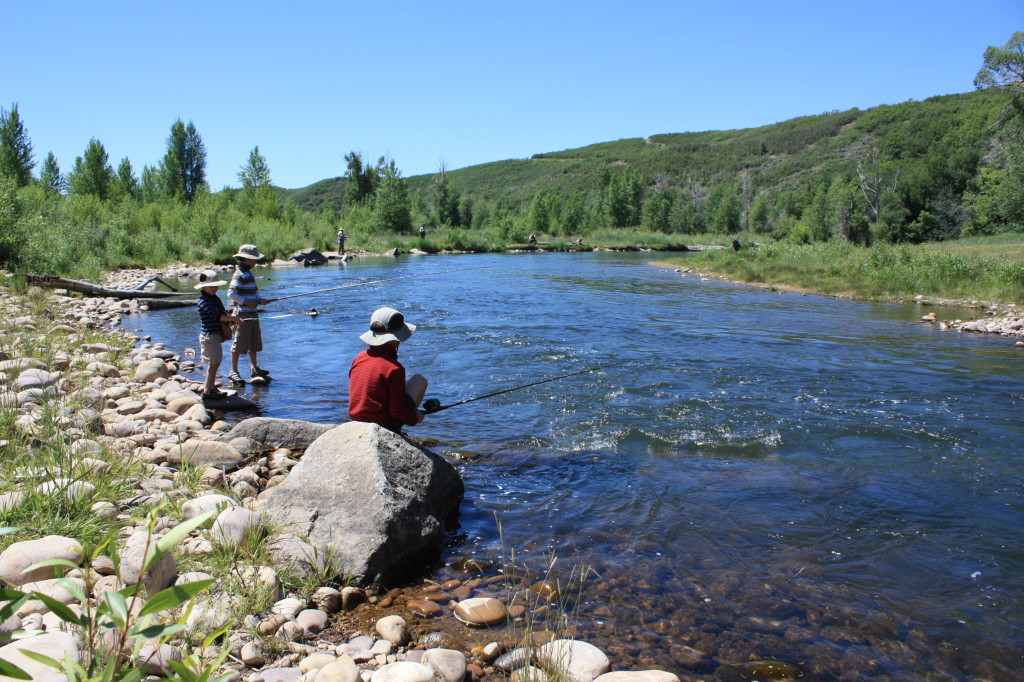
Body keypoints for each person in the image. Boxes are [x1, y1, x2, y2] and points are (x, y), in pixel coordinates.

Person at [348, 307, 428, 433]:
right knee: (420, 380)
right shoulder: (395, 369)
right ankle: (398, 429)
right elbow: (397, 411)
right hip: (383, 426)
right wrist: (415, 418)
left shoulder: (359, 358)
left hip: (357, 421)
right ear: (396, 338)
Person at [227, 244, 272, 385]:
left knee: (254, 342)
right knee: (239, 343)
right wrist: (247, 302)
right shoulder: (239, 273)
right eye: (253, 260)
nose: (255, 262)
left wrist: (259, 300)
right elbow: (231, 293)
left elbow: (254, 292)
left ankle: (254, 368)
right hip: (243, 314)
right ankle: (233, 371)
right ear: (245, 259)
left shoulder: (249, 273)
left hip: (253, 313)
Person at [194, 271, 242, 400]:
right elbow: (217, 316)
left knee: (215, 363)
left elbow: (222, 313)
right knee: (214, 363)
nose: (214, 289)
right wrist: (233, 319)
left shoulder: (214, 298)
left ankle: (211, 387)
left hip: (214, 335)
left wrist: (232, 319)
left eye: (215, 286)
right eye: (211, 286)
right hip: (209, 336)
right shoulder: (204, 301)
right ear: (204, 287)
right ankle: (208, 391)